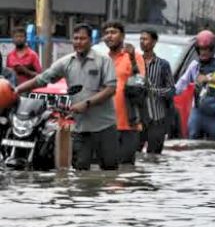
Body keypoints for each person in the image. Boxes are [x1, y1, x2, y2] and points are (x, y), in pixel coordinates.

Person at [17, 24, 118, 170]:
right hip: (80, 127)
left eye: (82, 38)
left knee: (109, 171)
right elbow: (41, 79)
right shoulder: (66, 62)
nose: (78, 42)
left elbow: (111, 89)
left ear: (90, 41)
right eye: (75, 38)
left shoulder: (103, 61)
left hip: (105, 126)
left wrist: (87, 103)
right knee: (80, 170)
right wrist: (16, 90)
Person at [175, 30, 215, 141]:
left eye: (206, 49)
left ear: (212, 49)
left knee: (214, 143)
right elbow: (183, 82)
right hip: (198, 111)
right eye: (201, 49)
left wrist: (209, 79)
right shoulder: (195, 65)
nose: (203, 52)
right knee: (192, 140)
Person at [102, 21, 146, 166]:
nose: (109, 36)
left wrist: (132, 58)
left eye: (113, 32)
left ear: (122, 36)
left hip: (128, 123)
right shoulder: (102, 59)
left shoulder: (134, 57)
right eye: (107, 33)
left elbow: (140, 83)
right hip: (104, 124)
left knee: (125, 170)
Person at [139, 30, 176, 154]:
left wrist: (153, 91)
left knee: (154, 157)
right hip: (138, 118)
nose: (142, 42)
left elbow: (171, 90)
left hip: (157, 117)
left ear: (154, 42)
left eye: (145, 39)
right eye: (141, 39)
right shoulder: (135, 63)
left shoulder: (163, 65)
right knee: (134, 154)